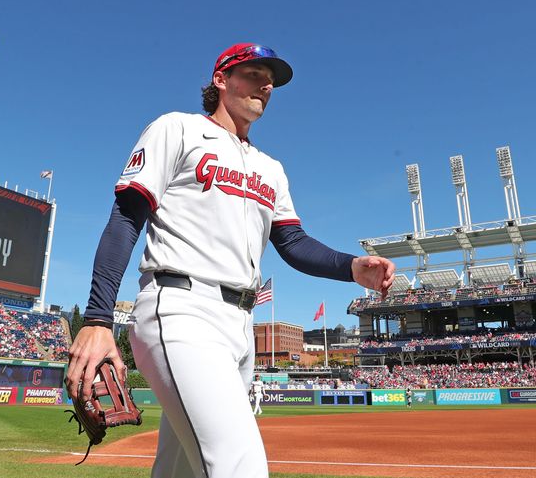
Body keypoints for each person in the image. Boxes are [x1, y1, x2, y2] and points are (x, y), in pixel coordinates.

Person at [64, 42, 395, 478]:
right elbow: (127, 217)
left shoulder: (270, 168)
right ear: (221, 79)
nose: (267, 84)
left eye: (271, 79)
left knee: (180, 470)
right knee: (240, 466)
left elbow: (292, 242)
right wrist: (97, 319)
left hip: (241, 327)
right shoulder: (177, 129)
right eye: (255, 73)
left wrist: (350, 267)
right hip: (181, 308)